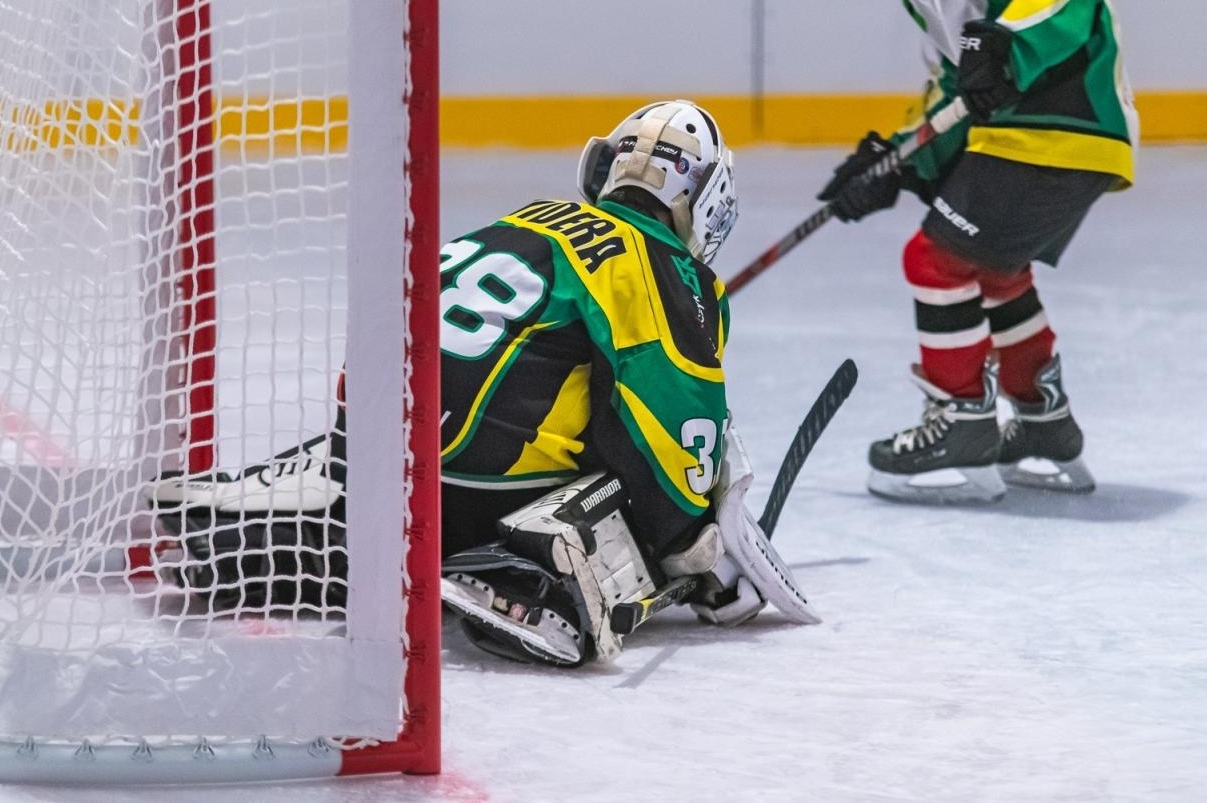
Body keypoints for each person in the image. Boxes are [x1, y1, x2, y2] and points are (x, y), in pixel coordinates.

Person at [150, 100, 817, 666]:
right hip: (476, 485)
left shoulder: (529, 219)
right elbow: (678, 435)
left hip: (377, 450)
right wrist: (696, 546)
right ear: (709, 203)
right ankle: (524, 571)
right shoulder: (664, 265)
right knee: (639, 477)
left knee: (422, 478)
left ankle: (240, 543)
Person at [820, 0, 1138, 505]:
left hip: (1060, 119)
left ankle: (961, 418)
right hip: (1044, 132)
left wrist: (1013, 41)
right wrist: (897, 159)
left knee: (933, 257)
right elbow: (960, 88)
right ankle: (1042, 420)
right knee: (994, 268)